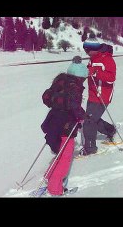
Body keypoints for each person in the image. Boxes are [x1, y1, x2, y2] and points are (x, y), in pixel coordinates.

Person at [41, 56, 88, 196]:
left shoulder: (60, 81)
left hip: (53, 120)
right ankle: (55, 189)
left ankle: (49, 176)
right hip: (66, 124)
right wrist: (82, 116)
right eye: (84, 78)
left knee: (60, 153)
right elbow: (74, 105)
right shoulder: (75, 86)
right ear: (80, 77)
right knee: (66, 156)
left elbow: (46, 97)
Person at [81, 33, 117, 156]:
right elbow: (90, 73)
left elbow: (111, 78)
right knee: (92, 119)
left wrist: (95, 72)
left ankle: (90, 148)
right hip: (92, 95)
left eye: (87, 50)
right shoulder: (93, 58)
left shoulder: (107, 59)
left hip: (103, 96)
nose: (85, 52)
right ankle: (110, 130)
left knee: (89, 121)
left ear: (93, 49)